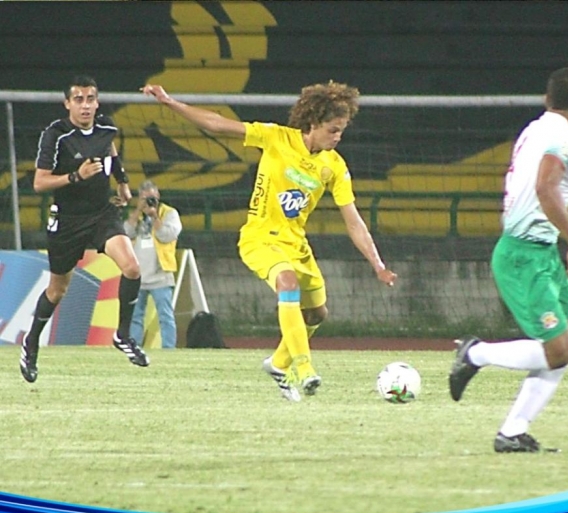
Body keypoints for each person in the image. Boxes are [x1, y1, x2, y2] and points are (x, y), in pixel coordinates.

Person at [141, 81, 397, 401]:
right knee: (287, 283)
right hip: (259, 238)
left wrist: (378, 264)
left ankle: (277, 363)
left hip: (296, 245)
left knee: (317, 314)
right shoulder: (277, 138)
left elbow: (353, 220)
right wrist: (170, 103)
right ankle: (304, 369)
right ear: (314, 123)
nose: (338, 137)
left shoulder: (334, 166)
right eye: (333, 130)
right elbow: (218, 124)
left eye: (341, 131)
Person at [448, 67, 568, 453]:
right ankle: (475, 353)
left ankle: (512, 432)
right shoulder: (565, 137)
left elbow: (539, 193)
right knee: (558, 349)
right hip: (524, 254)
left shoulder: (535, 129)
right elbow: (545, 187)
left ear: (547, 100)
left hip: (540, 252)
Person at [20, 75, 149, 383]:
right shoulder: (57, 135)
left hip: (101, 214)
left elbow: (111, 151)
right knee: (57, 289)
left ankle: (122, 335)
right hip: (67, 220)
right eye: (78, 99)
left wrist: (123, 183)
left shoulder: (106, 128)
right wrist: (75, 177)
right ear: (67, 104)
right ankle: (31, 340)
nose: (85, 105)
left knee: (132, 268)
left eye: (90, 99)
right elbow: (39, 182)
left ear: (97, 102)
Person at [124, 180, 183, 349]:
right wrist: (137, 211)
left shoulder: (169, 213)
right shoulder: (137, 215)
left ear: (158, 196)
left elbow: (167, 236)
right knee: (135, 316)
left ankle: (168, 349)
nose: (149, 202)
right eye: (144, 198)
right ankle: (134, 348)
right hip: (138, 274)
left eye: (151, 198)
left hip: (160, 274)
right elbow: (126, 233)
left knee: (165, 316)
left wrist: (155, 216)